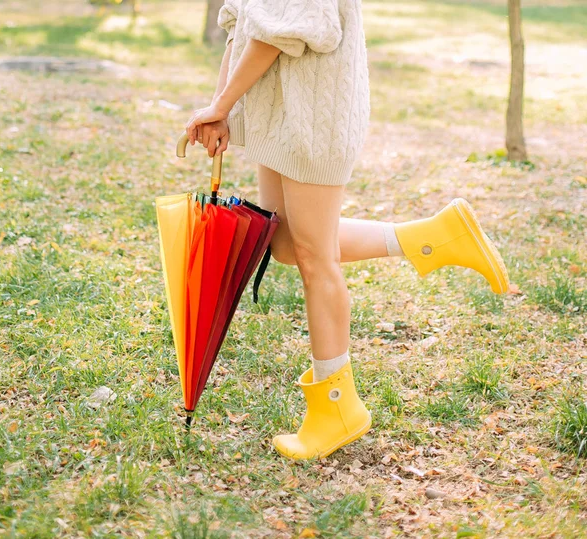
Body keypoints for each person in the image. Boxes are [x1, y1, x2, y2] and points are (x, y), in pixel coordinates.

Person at [184, 0, 510, 460]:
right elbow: (241, 26)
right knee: (283, 243)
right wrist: (221, 111)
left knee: (316, 259)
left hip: (312, 118)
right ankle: (432, 237)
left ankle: (337, 408)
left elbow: (280, 31)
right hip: (278, 117)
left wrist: (222, 103)